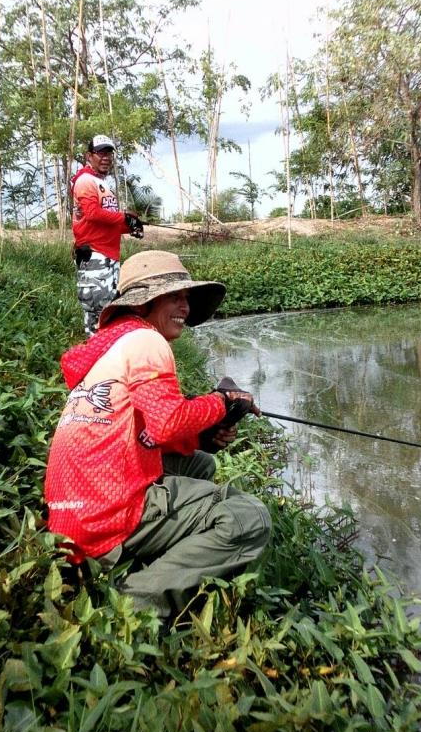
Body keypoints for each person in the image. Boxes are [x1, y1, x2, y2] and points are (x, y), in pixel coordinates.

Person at [44, 250, 272, 622]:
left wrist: (203, 436)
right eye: (175, 296)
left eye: (187, 297)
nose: (185, 306)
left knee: (199, 463)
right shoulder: (148, 343)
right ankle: (129, 607)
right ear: (146, 301)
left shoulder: (112, 346)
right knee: (250, 518)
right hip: (101, 519)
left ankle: (158, 553)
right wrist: (221, 401)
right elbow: (167, 423)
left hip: (68, 518)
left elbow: (145, 431)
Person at [71, 134, 144, 336]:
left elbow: (107, 222)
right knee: (97, 315)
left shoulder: (103, 184)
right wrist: (123, 218)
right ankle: (93, 362)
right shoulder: (85, 181)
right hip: (95, 255)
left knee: (109, 312)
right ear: (89, 156)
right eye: (101, 153)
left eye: (109, 153)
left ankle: (106, 360)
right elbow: (92, 213)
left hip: (110, 256)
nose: (106, 158)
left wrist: (130, 226)